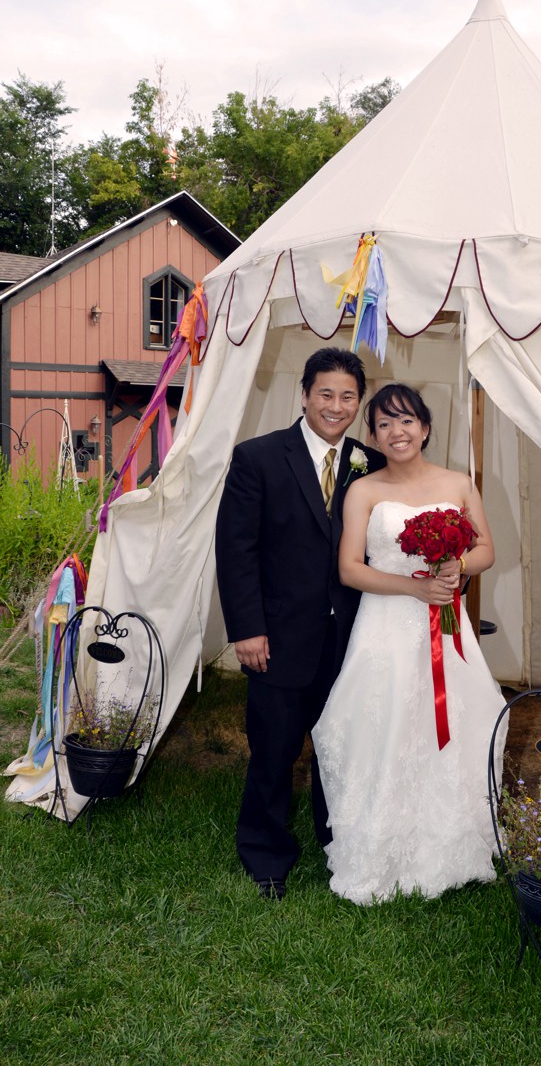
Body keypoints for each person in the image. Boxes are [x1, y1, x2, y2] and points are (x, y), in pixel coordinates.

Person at [312, 383, 507, 904]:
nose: (395, 432)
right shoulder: (364, 490)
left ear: (424, 427)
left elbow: (486, 548)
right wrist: (413, 587)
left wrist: (456, 566)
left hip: (445, 625)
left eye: (406, 421)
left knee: (452, 725)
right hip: (385, 626)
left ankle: (446, 845)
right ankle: (378, 843)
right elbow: (350, 569)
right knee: (386, 723)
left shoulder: (458, 483)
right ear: (372, 433)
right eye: (383, 424)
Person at [214, 347, 384, 900]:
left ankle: (338, 845)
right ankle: (265, 853)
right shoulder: (257, 457)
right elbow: (236, 550)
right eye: (326, 394)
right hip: (279, 636)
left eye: (348, 397)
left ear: (359, 402)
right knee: (274, 749)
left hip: (352, 640)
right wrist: (246, 630)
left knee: (341, 748)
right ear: (305, 393)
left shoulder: (371, 463)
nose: (337, 406)